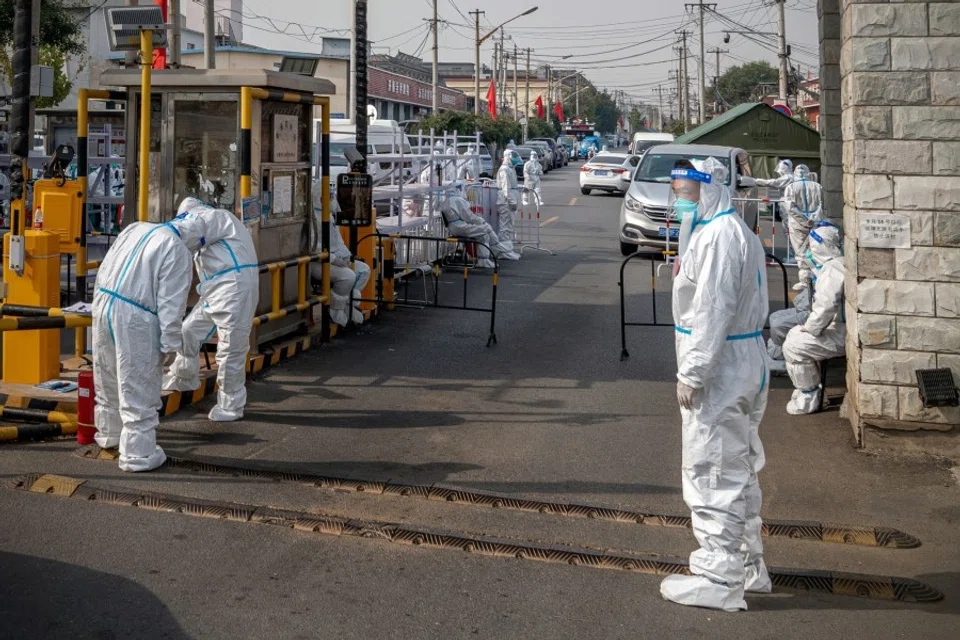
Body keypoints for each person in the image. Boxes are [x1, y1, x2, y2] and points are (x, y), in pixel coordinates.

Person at [660, 156, 771, 612]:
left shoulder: (721, 237)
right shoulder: (722, 229)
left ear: (710, 188)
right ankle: (747, 565)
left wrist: (693, 372)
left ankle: (718, 576)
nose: (680, 200)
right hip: (737, 359)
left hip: (721, 366)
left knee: (712, 468)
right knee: (738, 466)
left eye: (687, 192)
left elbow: (711, 309)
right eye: (677, 192)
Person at [93, 219, 197, 471]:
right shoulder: (177, 249)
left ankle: (109, 434)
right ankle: (138, 455)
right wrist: (170, 345)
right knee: (138, 383)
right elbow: (172, 305)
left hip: (104, 302)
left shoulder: (135, 227)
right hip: (137, 317)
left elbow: (106, 265)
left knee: (107, 374)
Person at [162, 198, 260, 422]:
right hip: (216, 290)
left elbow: (189, 230)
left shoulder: (217, 218)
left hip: (233, 290)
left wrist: (159, 237)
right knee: (188, 330)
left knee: (230, 349)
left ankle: (231, 405)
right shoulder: (215, 228)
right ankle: (184, 376)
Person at [782, 222, 845, 415]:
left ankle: (808, 397)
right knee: (794, 335)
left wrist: (811, 328)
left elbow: (826, 305)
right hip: (841, 328)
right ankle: (807, 390)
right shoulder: (837, 264)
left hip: (841, 332)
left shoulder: (832, 269)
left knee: (794, 346)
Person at [310, 183, 371, 326]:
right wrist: (333, 258)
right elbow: (312, 247)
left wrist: (346, 256)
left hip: (335, 259)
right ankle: (335, 310)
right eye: (329, 196)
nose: (332, 199)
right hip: (317, 263)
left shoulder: (329, 216)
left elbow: (338, 241)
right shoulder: (312, 219)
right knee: (348, 276)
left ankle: (346, 304)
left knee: (363, 270)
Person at [440, 196, 518, 267]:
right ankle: (493, 253)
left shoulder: (448, 201)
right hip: (460, 227)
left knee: (483, 234)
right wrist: (481, 221)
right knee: (486, 229)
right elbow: (468, 217)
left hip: (456, 227)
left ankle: (488, 256)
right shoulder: (457, 200)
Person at [782, 165, 824, 290]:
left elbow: (790, 207)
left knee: (801, 251)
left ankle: (806, 279)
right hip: (816, 223)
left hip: (797, 225)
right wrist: (813, 218)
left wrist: (803, 220)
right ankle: (819, 276)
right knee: (816, 249)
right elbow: (822, 205)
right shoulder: (818, 187)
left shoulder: (790, 188)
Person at [766, 287, 811, 375]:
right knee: (774, 317)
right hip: (809, 308)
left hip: (814, 313)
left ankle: (779, 359)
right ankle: (778, 354)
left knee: (778, 325)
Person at [496, 148, 520, 257]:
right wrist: (512, 201)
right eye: (512, 156)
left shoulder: (511, 169)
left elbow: (512, 185)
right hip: (506, 202)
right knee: (505, 226)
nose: (515, 158)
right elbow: (506, 188)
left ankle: (507, 249)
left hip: (509, 200)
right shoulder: (504, 169)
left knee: (510, 225)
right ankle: (504, 252)